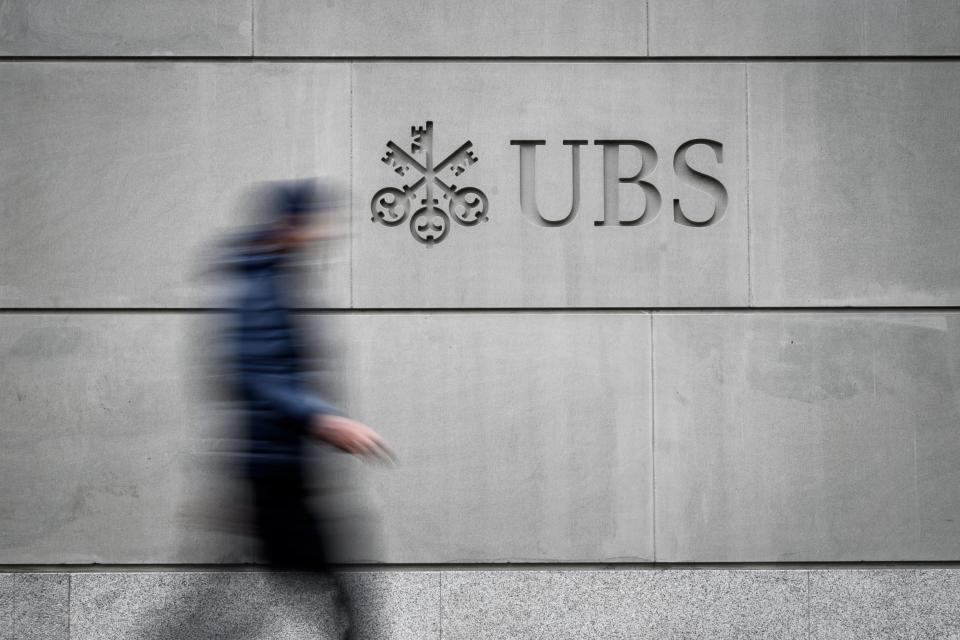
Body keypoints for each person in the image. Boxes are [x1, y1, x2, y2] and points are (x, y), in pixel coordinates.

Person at [223, 179, 391, 639]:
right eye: (314, 222)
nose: (323, 232)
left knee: (329, 592)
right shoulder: (261, 287)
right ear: (291, 224)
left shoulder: (272, 277)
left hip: (281, 471)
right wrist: (325, 420)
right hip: (273, 472)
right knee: (340, 598)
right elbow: (257, 376)